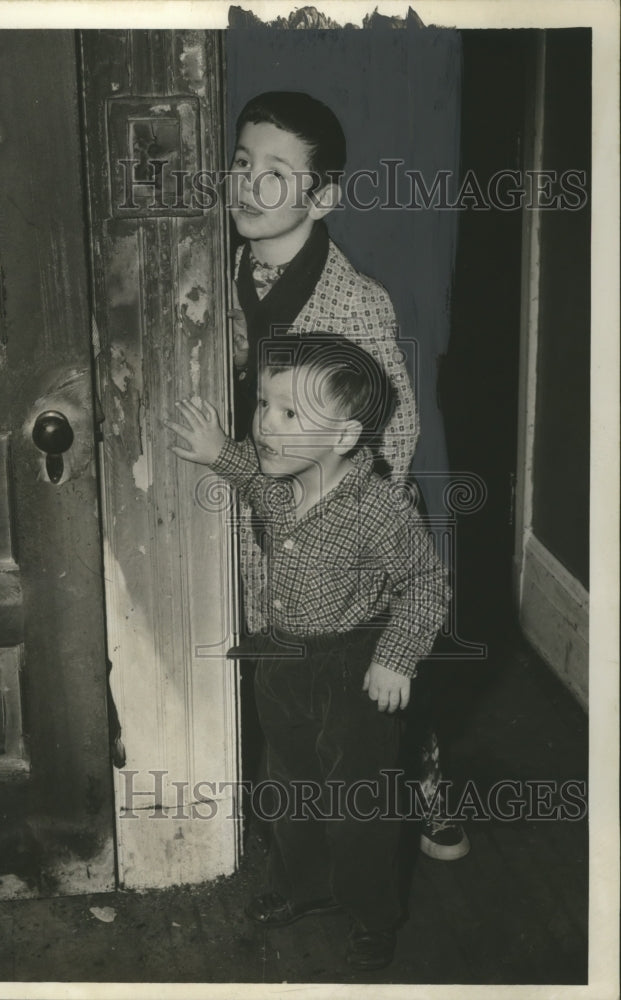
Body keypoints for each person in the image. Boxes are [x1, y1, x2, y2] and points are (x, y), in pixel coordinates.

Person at [226, 90, 469, 862]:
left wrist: (340, 520)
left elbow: (394, 425)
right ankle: (284, 807)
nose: (249, 186)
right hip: (257, 501)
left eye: (276, 173)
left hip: (346, 521)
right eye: (240, 164)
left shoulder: (353, 301)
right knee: (277, 663)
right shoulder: (225, 269)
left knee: (367, 681)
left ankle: (420, 778)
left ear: (321, 196)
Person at [166, 334, 450, 970]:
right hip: (285, 659)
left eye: (289, 414)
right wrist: (219, 453)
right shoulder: (281, 478)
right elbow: (251, 478)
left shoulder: (379, 506)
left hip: (354, 666)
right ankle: (306, 887)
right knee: (287, 781)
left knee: (359, 800)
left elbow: (427, 584)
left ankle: (373, 912)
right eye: (263, 404)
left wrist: (397, 655)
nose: (265, 423)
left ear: (345, 437)